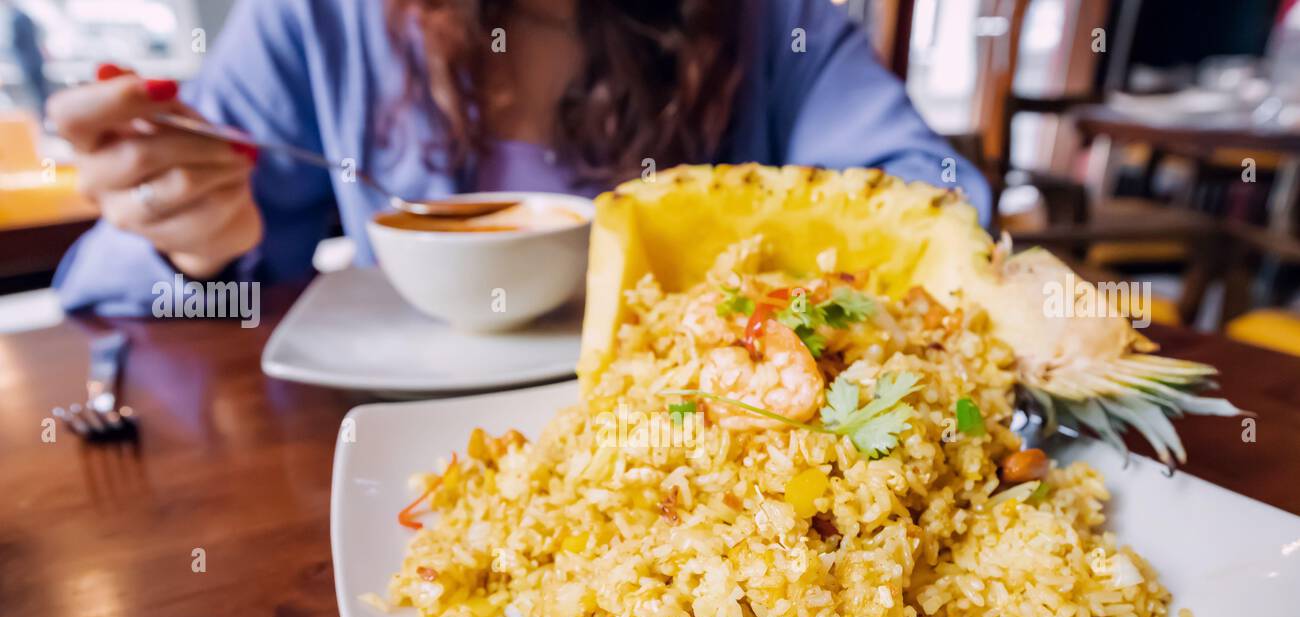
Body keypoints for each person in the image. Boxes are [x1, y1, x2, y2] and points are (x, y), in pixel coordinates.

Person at [50, 0, 990, 317]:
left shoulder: (774, 24)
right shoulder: (317, 23)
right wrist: (187, 237)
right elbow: (109, 286)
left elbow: (942, 210)